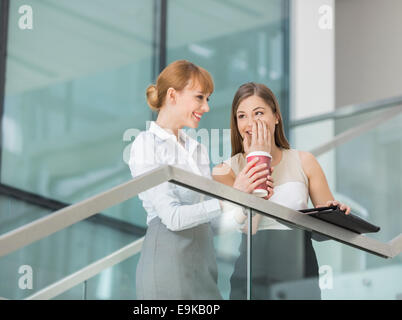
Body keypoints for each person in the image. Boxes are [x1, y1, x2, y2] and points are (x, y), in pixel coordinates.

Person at [128, 61, 275, 300]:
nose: (206, 107)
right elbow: (173, 219)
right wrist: (231, 198)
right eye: (199, 98)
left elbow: (209, 223)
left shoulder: (197, 150)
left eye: (208, 99)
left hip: (205, 264)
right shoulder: (146, 144)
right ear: (173, 95)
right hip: (167, 261)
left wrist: (242, 204)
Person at [212, 82, 351, 300]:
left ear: (276, 116)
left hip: (299, 267)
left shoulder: (305, 161)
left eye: (258, 113)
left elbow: (327, 230)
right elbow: (249, 227)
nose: (250, 123)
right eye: (242, 116)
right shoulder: (224, 170)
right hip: (252, 271)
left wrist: (336, 212)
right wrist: (256, 159)